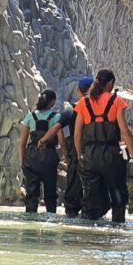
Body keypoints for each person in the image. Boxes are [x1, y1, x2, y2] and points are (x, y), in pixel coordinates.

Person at [75, 69, 133, 223]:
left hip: (89, 156)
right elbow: (125, 132)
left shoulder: (83, 103)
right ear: (110, 84)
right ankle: (116, 231)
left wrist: (80, 155)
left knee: (90, 198)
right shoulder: (116, 101)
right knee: (118, 196)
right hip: (111, 156)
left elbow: (77, 134)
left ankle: (87, 233)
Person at [37, 76, 93, 217]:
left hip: (76, 153)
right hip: (96, 153)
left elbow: (57, 127)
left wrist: (43, 140)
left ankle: (72, 213)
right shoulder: (100, 107)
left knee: (74, 187)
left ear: (78, 91)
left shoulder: (72, 109)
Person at [19, 89, 67, 213]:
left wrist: (23, 160)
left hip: (32, 157)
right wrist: (66, 157)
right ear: (52, 102)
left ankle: (30, 222)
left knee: (31, 195)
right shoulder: (56, 117)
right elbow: (61, 141)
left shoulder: (30, 116)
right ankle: (51, 218)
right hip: (49, 157)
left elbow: (23, 142)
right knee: (50, 193)